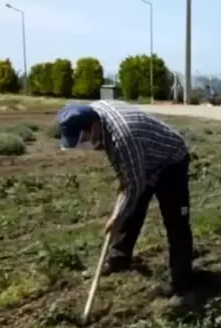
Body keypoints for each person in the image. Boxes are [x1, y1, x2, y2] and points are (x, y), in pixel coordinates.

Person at [56, 100, 194, 305]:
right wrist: (121, 210)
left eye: (82, 139)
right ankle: (119, 258)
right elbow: (128, 178)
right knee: (131, 210)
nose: (83, 144)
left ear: (93, 127)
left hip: (169, 159)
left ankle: (181, 284)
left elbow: (134, 185)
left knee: (176, 221)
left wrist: (116, 216)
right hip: (142, 153)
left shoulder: (122, 138)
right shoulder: (92, 114)